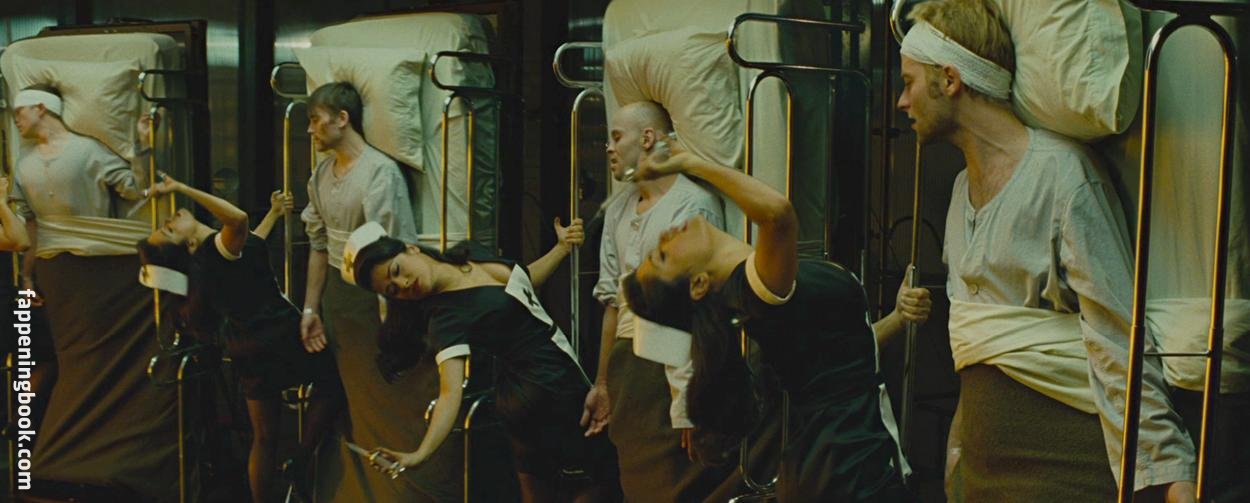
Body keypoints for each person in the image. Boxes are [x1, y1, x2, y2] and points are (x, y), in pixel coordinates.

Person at [894, 0, 1195, 500]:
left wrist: (1167, 466)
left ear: (950, 79)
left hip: (1062, 467)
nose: (902, 102)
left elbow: (1114, 333)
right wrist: (958, 446)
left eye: (908, 82)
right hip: (985, 471)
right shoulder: (959, 192)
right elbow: (976, 340)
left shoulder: (1061, 175)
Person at [620, 143, 911, 501]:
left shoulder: (754, 290)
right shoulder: (755, 292)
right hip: (849, 471)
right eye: (663, 256)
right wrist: (692, 163)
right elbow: (778, 214)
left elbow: (843, 357)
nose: (665, 236)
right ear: (698, 285)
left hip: (839, 465)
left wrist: (898, 318)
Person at [344, 217, 616, 502]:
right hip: (546, 390)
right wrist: (420, 454)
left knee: (574, 486)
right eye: (393, 290)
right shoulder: (445, 319)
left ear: (411, 249)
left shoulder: (469, 253)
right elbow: (450, 393)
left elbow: (523, 283)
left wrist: (561, 248)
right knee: (602, 480)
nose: (404, 284)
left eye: (396, 271)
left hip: (541, 384)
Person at [11, 85, 182, 500]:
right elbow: (29, 226)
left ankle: (107, 461)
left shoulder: (88, 152)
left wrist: (144, 148)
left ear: (41, 108)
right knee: (60, 361)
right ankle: (53, 459)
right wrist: (27, 277)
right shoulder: (24, 166)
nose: (15, 119)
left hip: (103, 269)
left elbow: (135, 189)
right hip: (55, 273)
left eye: (20, 111)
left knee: (105, 361)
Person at [136, 172, 344, 503]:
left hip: (246, 345)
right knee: (332, 385)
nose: (170, 220)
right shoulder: (215, 249)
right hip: (277, 334)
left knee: (264, 437)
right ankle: (301, 458)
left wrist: (274, 213)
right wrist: (182, 187)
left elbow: (251, 243)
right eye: (170, 230)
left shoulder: (217, 255)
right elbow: (239, 220)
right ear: (190, 245)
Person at [583, 100, 736, 501]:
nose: (608, 147)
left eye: (617, 137)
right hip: (627, 364)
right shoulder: (617, 210)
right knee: (636, 483)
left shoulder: (691, 205)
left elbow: (696, 311)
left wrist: (685, 402)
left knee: (673, 483)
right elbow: (612, 302)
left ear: (648, 138)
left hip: (672, 362)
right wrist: (603, 383)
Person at [297, 81, 435, 501]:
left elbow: (395, 257)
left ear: (343, 119)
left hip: (374, 302)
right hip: (337, 303)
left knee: (385, 399)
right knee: (345, 398)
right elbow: (318, 246)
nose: (310, 130)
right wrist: (310, 309)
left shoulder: (379, 173)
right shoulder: (321, 175)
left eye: (316, 120)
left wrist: (390, 319)